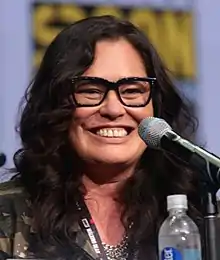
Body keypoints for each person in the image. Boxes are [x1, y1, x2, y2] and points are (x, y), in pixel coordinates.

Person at [0, 15, 202, 260]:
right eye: (90, 91)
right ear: (55, 105)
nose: (113, 109)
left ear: (157, 107)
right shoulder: (6, 214)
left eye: (132, 91)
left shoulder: (202, 220)